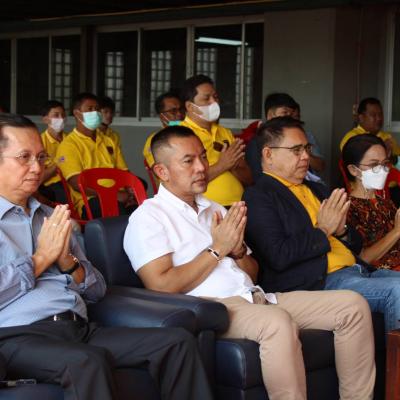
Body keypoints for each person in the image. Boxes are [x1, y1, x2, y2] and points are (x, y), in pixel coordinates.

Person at [124, 125, 375, 400]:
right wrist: (217, 250)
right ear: (162, 171)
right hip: (213, 308)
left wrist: (239, 251)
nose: (202, 167)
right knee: (277, 322)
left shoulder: (215, 209)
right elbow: (160, 285)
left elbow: (252, 273)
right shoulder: (148, 217)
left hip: (256, 296)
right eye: (188, 161)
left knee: (352, 306)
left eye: (203, 157)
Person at [0, 113, 213, 400]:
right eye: (24, 157)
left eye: (40, 157)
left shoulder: (52, 217)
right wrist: (40, 260)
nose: (37, 168)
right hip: (16, 336)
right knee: (86, 362)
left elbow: (97, 290)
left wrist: (69, 264)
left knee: (177, 342)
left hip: (77, 328)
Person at [243, 116, 400, 333]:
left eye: (306, 148)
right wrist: (324, 229)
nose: (306, 156)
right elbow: (279, 255)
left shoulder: (316, 189)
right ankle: (395, 356)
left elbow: (356, 246)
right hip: (319, 281)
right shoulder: (259, 196)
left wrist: (341, 230)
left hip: (357, 271)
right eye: (296, 150)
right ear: (268, 154)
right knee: (397, 289)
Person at [56, 92, 135, 219]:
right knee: (120, 214)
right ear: (77, 113)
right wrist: (110, 195)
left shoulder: (108, 141)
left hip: (119, 195)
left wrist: (131, 191)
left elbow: (124, 171)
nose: (95, 112)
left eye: (97, 109)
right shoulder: (69, 145)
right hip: (90, 201)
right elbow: (77, 183)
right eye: (90, 109)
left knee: (144, 212)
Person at [180, 74, 252, 207]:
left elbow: (249, 179)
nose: (214, 102)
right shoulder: (180, 134)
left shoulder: (225, 132)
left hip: (239, 206)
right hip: (205, 209)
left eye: (215, 97)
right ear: (190, 106)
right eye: (206, 98)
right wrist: (223, 164)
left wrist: (236, 166)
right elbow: (182, 181)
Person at [342, 134, 400, 270]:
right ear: (353, 170)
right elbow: (362, 259)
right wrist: (397, 231)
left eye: (384, 163)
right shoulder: (347, 208)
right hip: (381, 276)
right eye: (374, 165)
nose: (382, 170)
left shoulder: (385, 203)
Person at [244, 93, 325, 181]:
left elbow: (320, 166)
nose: (289, 119)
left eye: (292, 115)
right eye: (285, 113)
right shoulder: (256, 143)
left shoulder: (305, 136)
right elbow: (258, 177)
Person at [142, 90, 185, 168]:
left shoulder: (194, 133)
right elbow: (158, 170)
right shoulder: (155, 140)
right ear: (162, 116)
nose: (179, 114)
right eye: (173, 111)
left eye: (181, 109)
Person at [38, 100, 68, 204]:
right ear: (45, 119)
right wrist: (58, 164)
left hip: (71, 180)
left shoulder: (71, 140)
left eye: (63, 115)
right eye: (56, 115)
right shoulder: (39, 142)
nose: (61, 118)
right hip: (53, 185)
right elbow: (39, 177)